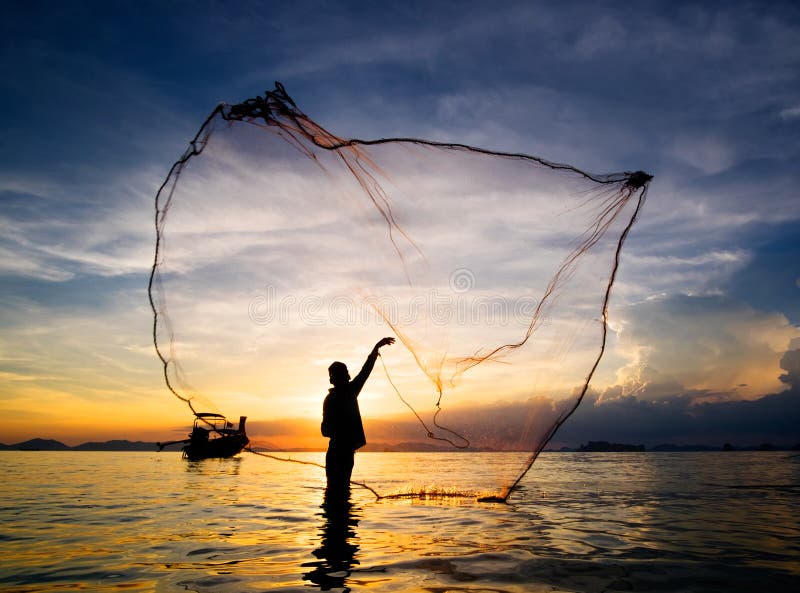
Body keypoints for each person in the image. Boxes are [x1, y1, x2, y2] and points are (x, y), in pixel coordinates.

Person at [322, 337, 395, 494]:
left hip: (338, 452)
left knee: (335, 491)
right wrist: (375, 350)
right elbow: (365, 372)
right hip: (341, 452)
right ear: (345, 376)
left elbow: (324, 431)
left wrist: (375, 350)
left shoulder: (336, 396)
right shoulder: (347, 393)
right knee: (340, 490)